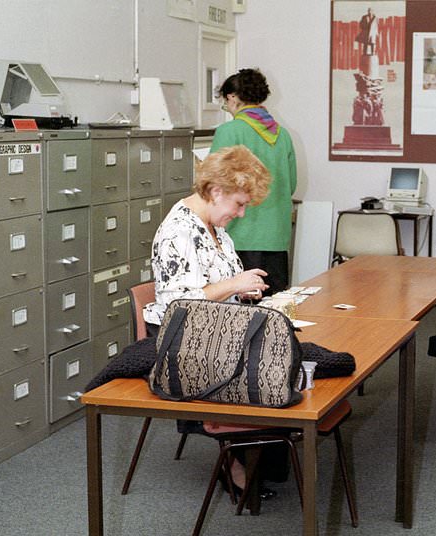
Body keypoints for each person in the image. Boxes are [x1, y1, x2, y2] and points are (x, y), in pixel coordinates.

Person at [142, 145, 279, 497]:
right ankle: (243, 460)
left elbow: (215, 286)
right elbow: (177, 303)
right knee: (271, 369)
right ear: (216, 192)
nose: (242, 213)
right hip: (182, 342)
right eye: (239, 203)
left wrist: (241, 290)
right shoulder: (179, 231)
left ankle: (266, 455)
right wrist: (235, 284)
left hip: (214, 330)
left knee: (284, 353)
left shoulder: (214, 226)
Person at [212, 68, 297, 296]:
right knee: (274, 310)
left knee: (242, 316)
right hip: (277, 237)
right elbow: (292, 184)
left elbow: (214, 184)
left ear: (232, 97)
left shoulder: (229, 131)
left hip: (241, 235)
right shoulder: (283, 134)